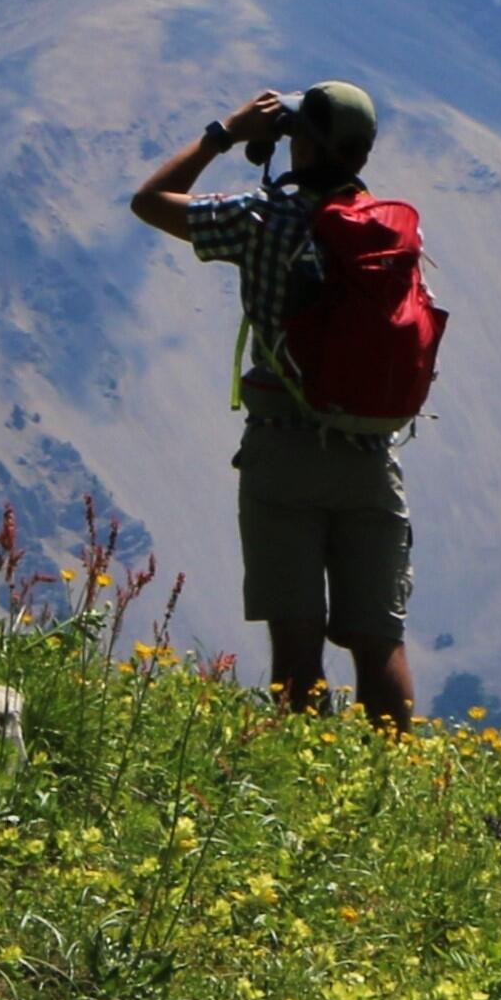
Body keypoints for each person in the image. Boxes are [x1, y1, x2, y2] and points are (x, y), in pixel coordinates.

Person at [131, 78, 435, 723]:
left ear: (300, 143)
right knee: (379, 641)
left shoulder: (262, 220)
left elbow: (149, 201)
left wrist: (227, 134)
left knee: (297, 643)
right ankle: (393, 792)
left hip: (283, 453)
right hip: (371, 456)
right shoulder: (391, 236)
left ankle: (302, 784)